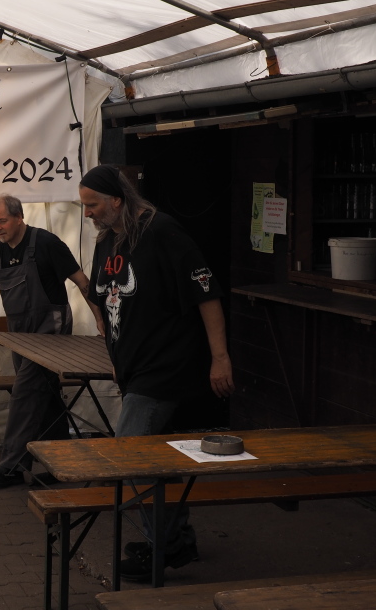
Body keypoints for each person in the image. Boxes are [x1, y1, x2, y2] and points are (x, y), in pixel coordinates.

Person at [79, 164, 234, 582]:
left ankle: (163, 545)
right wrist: (115, 355)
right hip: (133, 369)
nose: (87, 213)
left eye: (92, 205)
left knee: (131, 455)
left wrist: (220, 358)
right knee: (157, 457)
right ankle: (177, 538)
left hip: (165, 366)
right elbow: (101, 299)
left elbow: (206, 294)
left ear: (117, 200)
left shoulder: (161, 231)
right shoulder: (107, 241)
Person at [0, 194, 90, 487]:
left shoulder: (46, 243)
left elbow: (82, 282)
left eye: (2, 221)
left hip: (51, 329)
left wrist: (102, 319)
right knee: (46, 393)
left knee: (25, 390)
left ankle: (12, 466)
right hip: (20, 333)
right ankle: (62, 462)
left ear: (19, 217)